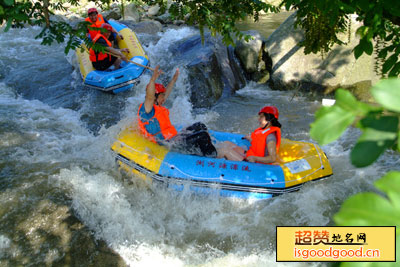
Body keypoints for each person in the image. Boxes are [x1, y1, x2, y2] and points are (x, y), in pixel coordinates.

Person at [137, 65, 218, 157]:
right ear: (155, 97)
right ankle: (213, 159)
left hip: (173, 139)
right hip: (167, 144)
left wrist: (174, 80)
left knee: (200, 125)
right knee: (202, 136)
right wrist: (152, 80)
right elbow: (150, 97)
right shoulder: (147, 110)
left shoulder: (158, 105)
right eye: (162, 96)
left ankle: (205, 149)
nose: (164, 98)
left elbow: (165, 93)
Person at [217, 106, 281, 164]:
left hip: (254, 163)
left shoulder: (271, 137)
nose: (259, 119)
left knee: (224, 151)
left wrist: (255, 158)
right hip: (250, 156)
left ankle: (209, 162)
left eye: (261, 117)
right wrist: (251, 139)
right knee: (227, 143)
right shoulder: (265, 131)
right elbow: (260, 144)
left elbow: (273, 158)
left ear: (269, 119)